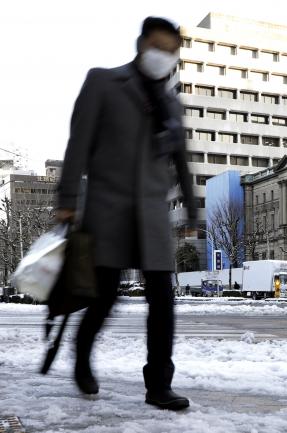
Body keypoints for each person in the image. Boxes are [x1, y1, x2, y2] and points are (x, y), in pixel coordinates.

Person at [55, 17, 195, 411]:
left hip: (152, 214)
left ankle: (159, 385)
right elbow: (77, 143)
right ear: (141, 44)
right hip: (108, 208)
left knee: (163, 301)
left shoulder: (171, 101)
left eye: (171, 51)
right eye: (158, 46)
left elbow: (182, 159)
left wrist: (191, 206)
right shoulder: (103, 81)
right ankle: (82, 355)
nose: (163, 56)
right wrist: (67, 200)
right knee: (103, 297)